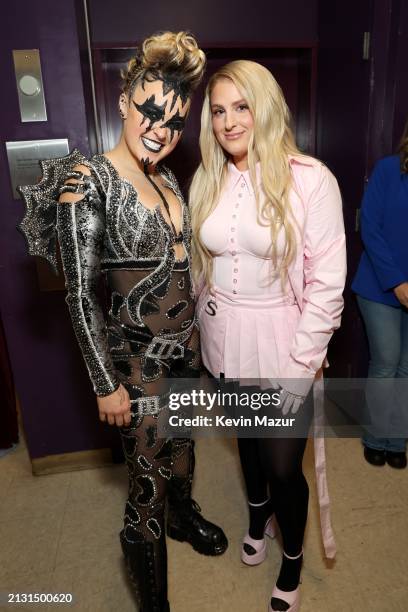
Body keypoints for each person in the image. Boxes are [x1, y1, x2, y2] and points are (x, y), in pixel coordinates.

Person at [19, 31, 227, 612]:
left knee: (184, 452)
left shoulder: (168, 179)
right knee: (146, 478)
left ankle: (183, 516)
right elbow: (80, 297)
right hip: (136, 364)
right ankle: (153, 597)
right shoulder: (85, 182)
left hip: (186, 354)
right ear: (123, 101)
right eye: (151, 111)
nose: (161, 128)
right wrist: (105, 384)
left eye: (176, 120)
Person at [189, 60, 346, 612]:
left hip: (282, 341)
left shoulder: (310, 178)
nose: (229, 121)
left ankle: (293, 560)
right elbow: (201, 265)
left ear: (266, 107)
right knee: (248, 443)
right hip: (223, 338)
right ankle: (257, 516)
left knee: (284, 465)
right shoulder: (208, 176)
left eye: (241, 106)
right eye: (218, 110)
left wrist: (302, 368)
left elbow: (328, 284)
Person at [352, 119, 408, 470]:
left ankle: (395, 440)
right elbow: (370, 228)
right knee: (387, 364)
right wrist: (398, 282)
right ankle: (376, 439)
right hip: (379, 286)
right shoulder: (389, 169)